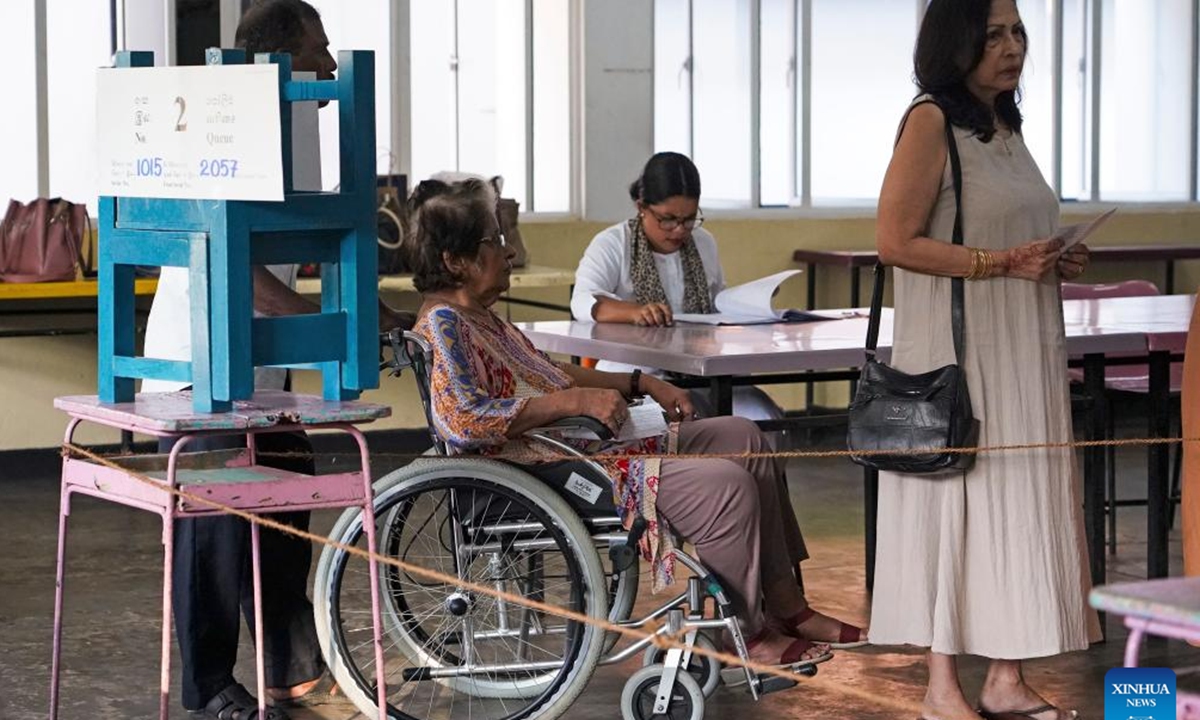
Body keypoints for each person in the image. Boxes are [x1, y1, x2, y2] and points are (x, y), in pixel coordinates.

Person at [406, 176, 865, 672]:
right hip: (550, 468)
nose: (509, 254)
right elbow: (463, 420)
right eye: (493, 242)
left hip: (581, 447)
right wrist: (575, 401)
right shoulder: (444, 324)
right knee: (726, 485)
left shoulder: (484, 319)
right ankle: (745, 633)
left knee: (744, 437)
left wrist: (641, 382)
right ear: (455, 260)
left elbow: (548, 374)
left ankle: (787, 605)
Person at [140, 1, 411, 717]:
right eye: (318, 49)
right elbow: (238, 270)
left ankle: (291, 668)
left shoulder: (296, 129)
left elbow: (311, 248)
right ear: (283, 54)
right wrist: (324, 324)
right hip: (196, 366)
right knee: (216, 524)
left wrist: (376, 315)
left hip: (259, 365)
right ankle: (206, 686)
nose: (328, 64)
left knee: (288, 495)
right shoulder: (227, 127)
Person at [869, 1, 1100, 719]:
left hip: (1024, 348)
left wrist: (1055, 253)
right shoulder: (931, 120)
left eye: (1019, 32)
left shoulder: (1006, 126)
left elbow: (1012, 230)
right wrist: (999, 261)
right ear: (958, 40)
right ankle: (943, 688)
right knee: (954, 502)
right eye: (995, 33)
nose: (1013, 46)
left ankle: (1006, 675)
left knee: (1019, 502)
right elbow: (895, 240)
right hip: (959, 356)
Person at [569, 151, 784, 423]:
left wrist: (750, 302)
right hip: (640, 374)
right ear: (641, 207)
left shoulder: (704, 243)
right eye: (668, 219)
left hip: (704, 371)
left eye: (689, 219)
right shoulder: (613, 243)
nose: (680, 230)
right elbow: (582, 301)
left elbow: (716, 305)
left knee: (764, 418)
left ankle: (752, 466)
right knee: (656, 424)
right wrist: (634, 312)